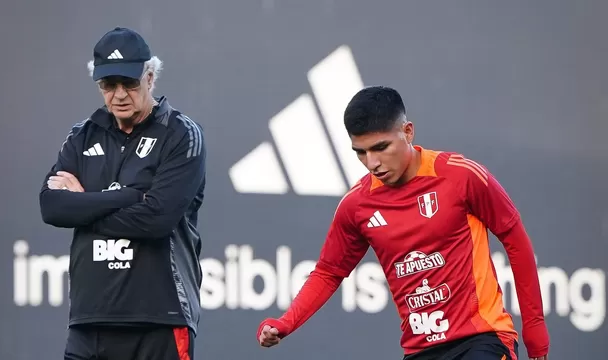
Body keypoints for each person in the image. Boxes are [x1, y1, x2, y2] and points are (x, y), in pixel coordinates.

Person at [257, 86, 549, 360]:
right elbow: (328, 273)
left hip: (482, 339)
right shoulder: (356, 205)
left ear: (408, 132)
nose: (372, 163)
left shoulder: (461, 176)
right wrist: (285, 323)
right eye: (361, 152)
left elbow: (514, 237)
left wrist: (535, 331)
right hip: (419, 350)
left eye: (381, 147)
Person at [39, 27, 206, 360]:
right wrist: (129, 196)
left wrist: (84, 204)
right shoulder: (82, 136)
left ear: (150, 77)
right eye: (107, 85)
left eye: (128, 83)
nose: (118, 95)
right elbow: (51, 206)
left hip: (159, 318)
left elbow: (157, 219)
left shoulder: (181, 133)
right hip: (89, 321)